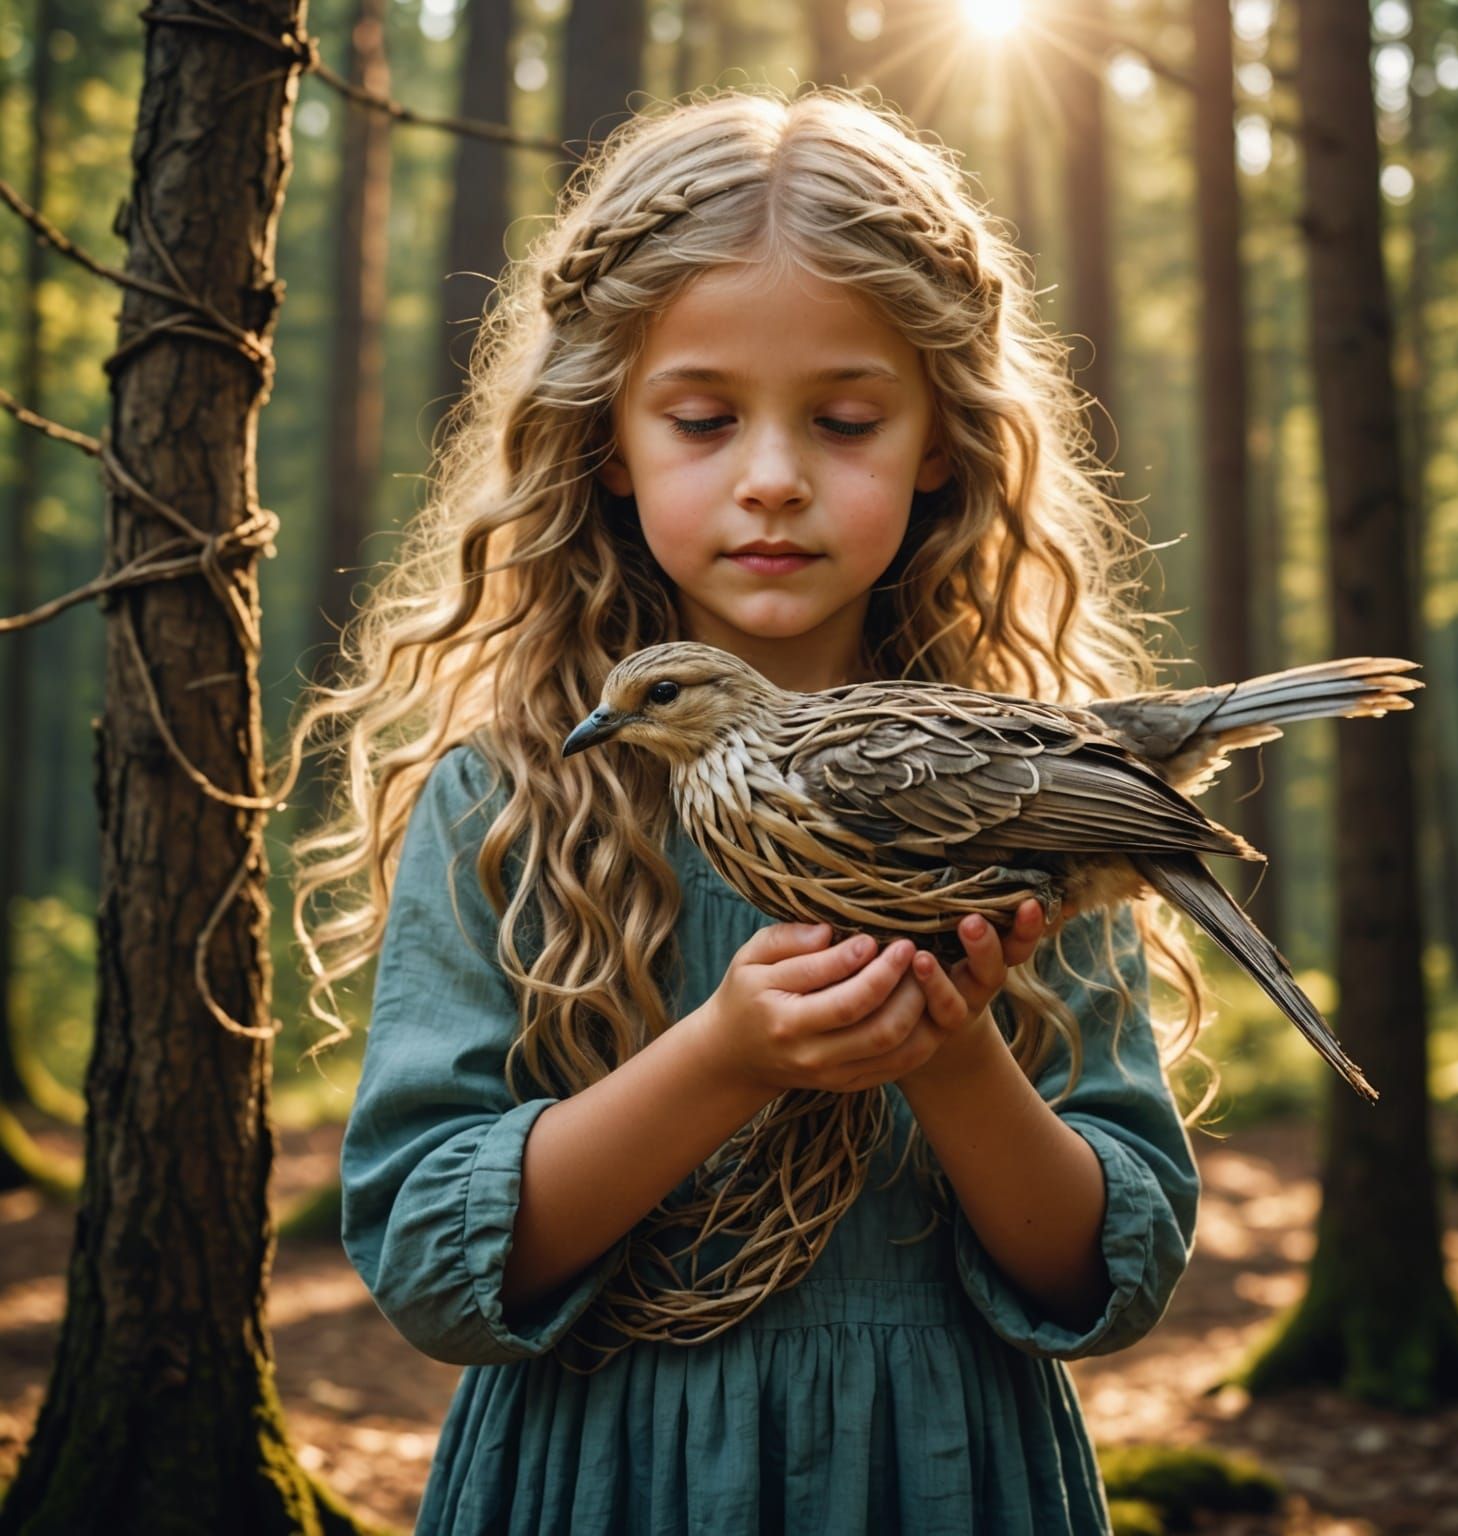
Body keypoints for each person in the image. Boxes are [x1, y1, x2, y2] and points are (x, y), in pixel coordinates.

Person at [292, 84, 1204, 1535]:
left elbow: (1104, 1275)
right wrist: (725, 1054)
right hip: (598, 1478)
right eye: (704, 419)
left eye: (844, 420)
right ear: (605, 442)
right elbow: (424, 1256)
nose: (773, 480)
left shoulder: (1032, 791)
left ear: (942, 447)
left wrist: (953, 1056)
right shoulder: (510, 800)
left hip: (939, 1478)